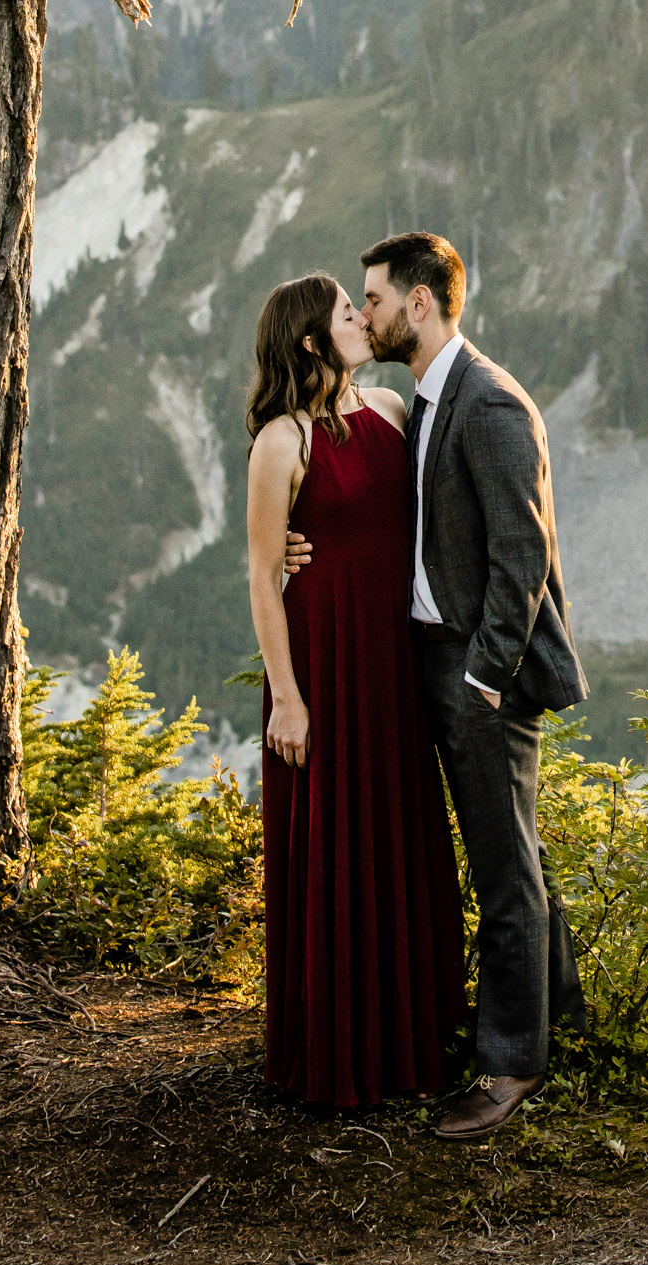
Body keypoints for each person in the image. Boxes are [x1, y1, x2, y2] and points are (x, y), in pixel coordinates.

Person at [287, 230, 587, 1140]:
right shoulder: (422, 399)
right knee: (512, 854)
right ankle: (559, 1017)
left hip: (478, 674)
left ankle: (508, 1065)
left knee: (504, 870)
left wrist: (486, 679)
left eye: (373, 299)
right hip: (428, 658)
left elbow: (521, 555)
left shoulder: (489, 403)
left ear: (420, 302)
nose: (365, 313)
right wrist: (301, 547)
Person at [246, 272, 466, 1107]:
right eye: (348, 313)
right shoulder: (281, 442)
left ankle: (410, 1046)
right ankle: (339, 1056)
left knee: (398, 836)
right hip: (324, 662)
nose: (362, 320)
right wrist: (289, 699)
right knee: (336, 844)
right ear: (311, 341)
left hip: (391, 657)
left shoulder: (392, 411)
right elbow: (265, 579)